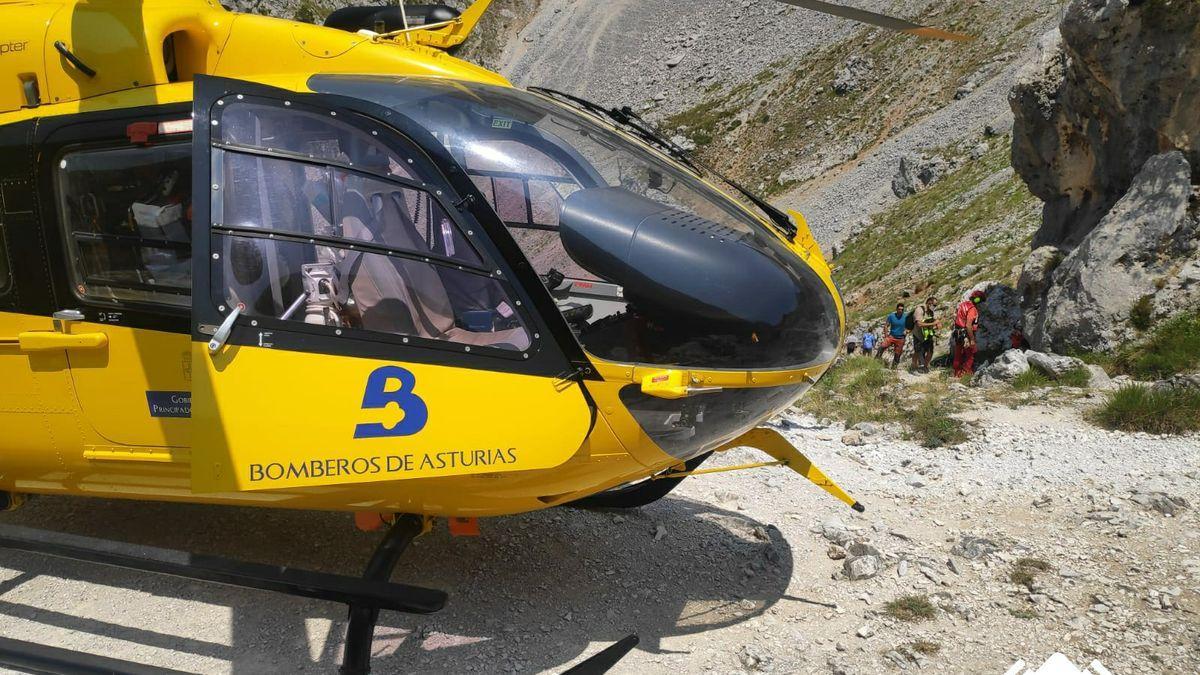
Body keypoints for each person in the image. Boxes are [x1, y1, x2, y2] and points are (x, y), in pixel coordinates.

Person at [952, 290, 985, 377]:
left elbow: (955, 317)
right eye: (981, 300)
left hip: (958, 332)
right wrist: (972, 339)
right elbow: (968, 325)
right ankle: (965, 373)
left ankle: (956, 373)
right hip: (966, 334)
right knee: (971, 354)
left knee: (958, 353)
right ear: (978, 299)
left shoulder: (963, 305)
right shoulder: (972, 309)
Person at [910, 296, 940, 372]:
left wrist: (937, 324)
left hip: (928, 335)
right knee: (918, 351)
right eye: (934, 305)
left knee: (930, 351)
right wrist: (933, 323)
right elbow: (919, 324)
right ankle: (913, 366)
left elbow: (935, 320)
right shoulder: (919, 310)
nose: (935, 307)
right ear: (929, 303)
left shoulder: (931, 312)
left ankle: (925, 366)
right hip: (918, 335)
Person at [876, 302, 907, 368]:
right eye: (899, 309)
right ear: (896, 309)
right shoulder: (891, 316)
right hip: (892, 336)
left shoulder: (906, 316)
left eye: (902, 309)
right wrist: (886, 336)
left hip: (901, 338)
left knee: (897, 354)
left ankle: (894, 368)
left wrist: (907, 331)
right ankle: (875, 362)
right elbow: (886, 325)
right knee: (882, 347)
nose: (900, 311)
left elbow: (911, 325)